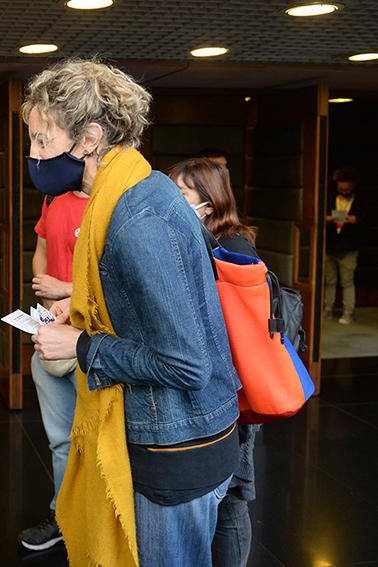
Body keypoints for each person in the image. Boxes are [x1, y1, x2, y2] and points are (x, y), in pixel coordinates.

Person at [27, 59, 240, 567]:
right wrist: (81, 316)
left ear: (90, 137)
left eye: (40, 139)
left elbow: (185, 363)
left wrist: (80, 345)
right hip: (180, 434)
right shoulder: (139, 190)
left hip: (177, 447)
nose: (33, 154)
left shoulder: (136, 216)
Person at [169, 158, 260, 567]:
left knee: (232, 498)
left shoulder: (236, 245)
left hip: (238, 387)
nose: (172, 200)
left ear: (208, 204)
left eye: (182, 193)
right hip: (214, 385)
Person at [18, 189, 89, 551]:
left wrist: (63, 289)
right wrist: (48, 298)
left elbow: (118, 280)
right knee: (60, 440)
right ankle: (61, 516)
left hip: (92, 342)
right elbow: (41, 253)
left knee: (95, 442)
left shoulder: (113, 198)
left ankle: (98, 523)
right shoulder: (52, 198)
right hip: (50, 334)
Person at [325, 167, 364, 325]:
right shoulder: (329, 198)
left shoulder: (360, 200)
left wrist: (336, 217)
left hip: (349, 248)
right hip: (330, 246)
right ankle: (328, 308)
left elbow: (360, 219)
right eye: (341, 188)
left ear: (352, 186)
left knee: (347, 281)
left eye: (347, 188)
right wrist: (343, 218)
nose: (344, 190)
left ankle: (348, 312)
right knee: (329, 281)